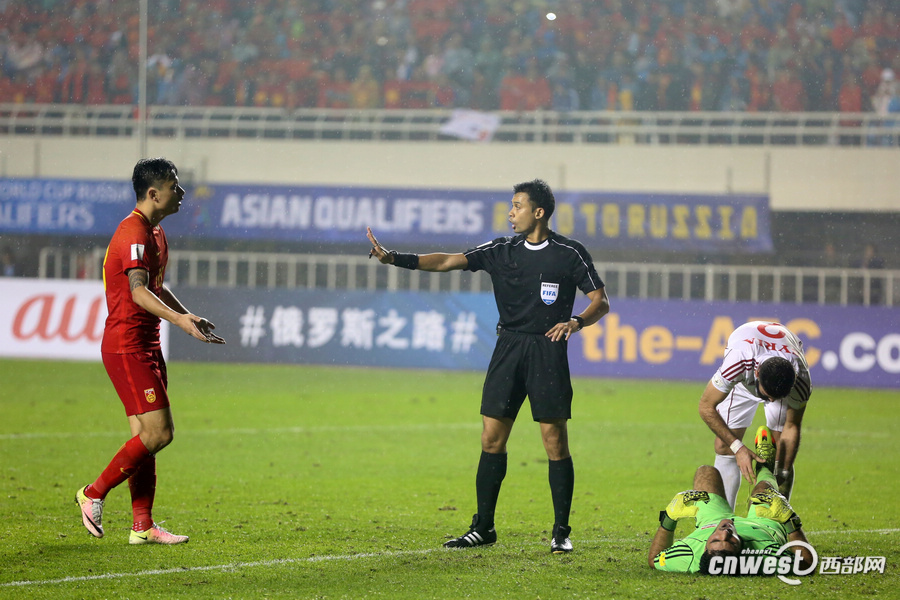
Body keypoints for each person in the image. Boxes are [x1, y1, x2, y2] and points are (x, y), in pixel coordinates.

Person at [366, 179, 609, 554]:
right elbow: (448, 261)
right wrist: (395, 257)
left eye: (517, 206)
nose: (511, 213)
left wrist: (577, 322)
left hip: (547, 351)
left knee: (554, 442)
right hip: (508, 347)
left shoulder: (569, 253)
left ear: (539, 212)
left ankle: (561, 531)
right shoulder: (500, 250)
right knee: (491, 438)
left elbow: (600, 301)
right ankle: (483, 527)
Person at [75, 158, 226, 545]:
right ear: (154, 193)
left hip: (146, 344)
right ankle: (93, 493)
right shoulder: (134, 232)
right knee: (160, 433)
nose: (182, 192)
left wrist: (184, 314)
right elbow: (138, 291)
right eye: (175, 185)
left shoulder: (155, 232)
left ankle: (142, 526)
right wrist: (178, 322)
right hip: (127, 347)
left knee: (144, 438)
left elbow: (155, 287)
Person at [649, 426, 814, 574]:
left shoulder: (689, 555)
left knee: (706, 472)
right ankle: (765, 467)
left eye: (715, 540)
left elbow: (655, 559)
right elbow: (806, 564)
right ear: (742, 553)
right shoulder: (763, 557)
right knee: (763, 491)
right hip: (763, 527)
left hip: (711, 522)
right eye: (731, 541)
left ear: (705, 548)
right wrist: (790, 522)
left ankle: (773, 483)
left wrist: (669, 518)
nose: (725, 532)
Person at [698, 321, 811, 510]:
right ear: (757, 373)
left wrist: (782, 473)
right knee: (724, 446)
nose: (771, 402)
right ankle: (723, 521)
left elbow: (792, 427)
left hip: (779, 364)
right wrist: (738, 448)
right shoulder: (739, 362)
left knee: (779, 454)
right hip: (745, 376)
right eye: (768, 396)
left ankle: (773, 523)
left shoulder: (800, 380)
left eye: (777, 398)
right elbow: (706, 406)